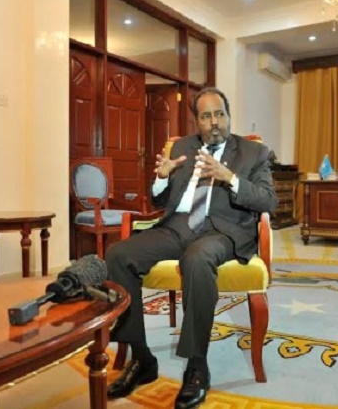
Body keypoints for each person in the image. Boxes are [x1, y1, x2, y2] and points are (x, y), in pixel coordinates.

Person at [105, 87, 278, 409]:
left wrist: (230, 178)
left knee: (197, 259)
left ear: (228, 115)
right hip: (177, 226)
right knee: (118, 255)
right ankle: (142, 359)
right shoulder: (182, 148)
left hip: (221, 230)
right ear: (197, 121)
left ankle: (197, 366)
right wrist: (161, 178)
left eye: (220, 114)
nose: (214, 122)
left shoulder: (254, 152)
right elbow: (159, 202)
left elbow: (268, 201)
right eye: (206, 116)